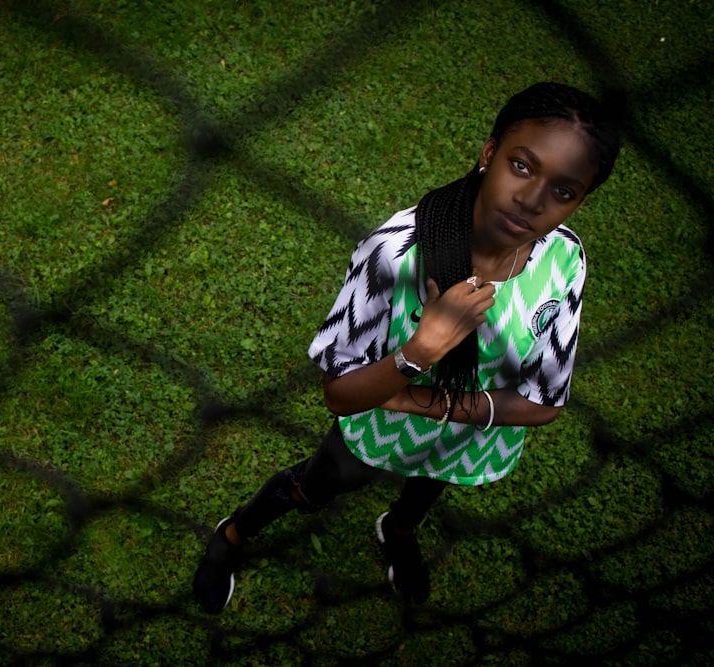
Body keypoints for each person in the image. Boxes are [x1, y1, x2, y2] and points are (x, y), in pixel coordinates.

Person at [192, 82, 621, 612]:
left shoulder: (565, 260)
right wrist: (419, 352)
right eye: (523, 166)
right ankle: (232, 535)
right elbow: (342, 395)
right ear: (489, 154)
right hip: (380, 424)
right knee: (314, 487)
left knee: (426, 489)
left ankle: (396, 532)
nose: (531, 200)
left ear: (580, 200)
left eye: (563, 191)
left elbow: (543, 403)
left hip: (465, 437)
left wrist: (426, 402)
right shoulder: (396, 253)